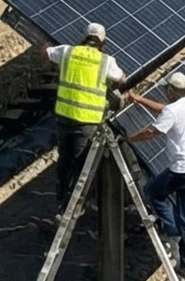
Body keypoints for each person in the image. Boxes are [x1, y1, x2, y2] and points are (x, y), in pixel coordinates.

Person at [122, 70, 185, 279]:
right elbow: (165, 110)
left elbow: (153, 131)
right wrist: (139, 99)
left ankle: (171, 229)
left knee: (153, 191)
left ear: (172, 91)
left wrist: (130, 139)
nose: (164, 91)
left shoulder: (172, 112)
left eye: (166, 88)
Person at [40, 21, 124, 206]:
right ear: (103, 42)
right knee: (81, 161)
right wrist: (109, 87)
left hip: (64, 118)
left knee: (65, 158)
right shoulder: (106, 61)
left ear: (84, 37)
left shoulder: (67, 52)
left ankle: (61, 194)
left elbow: (47, 51)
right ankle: (75, 202)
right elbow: (121, 78)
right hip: (86, 121)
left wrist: (49, 64)